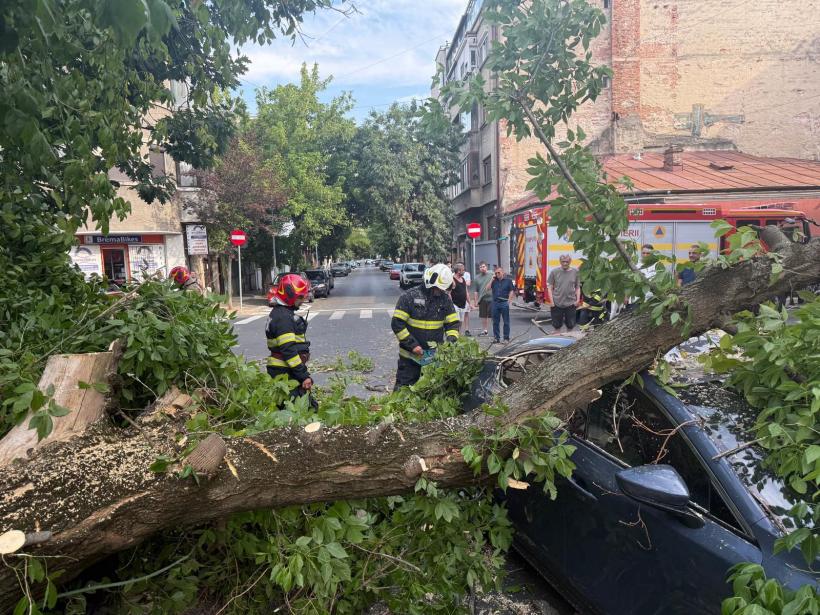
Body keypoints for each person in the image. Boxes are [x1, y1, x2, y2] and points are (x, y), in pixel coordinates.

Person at [391, 263, 460, 390]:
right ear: (429, 282)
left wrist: (450, 342)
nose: (439, 292)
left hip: (434, 358)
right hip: (409, 358)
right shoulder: (409, 297)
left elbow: (453, 324)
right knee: (403, 392)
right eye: (437, 288)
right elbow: (397, 324)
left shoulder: (445, 300)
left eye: (442, 289)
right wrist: (413, 345)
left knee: (430, 393)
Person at [265, 273, 314, 405]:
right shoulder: (283, 318)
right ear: (290, 296)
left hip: (287, 371)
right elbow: (289, 351)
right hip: (285, 372)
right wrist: (303, 376)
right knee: (301, 410)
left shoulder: (281, 313)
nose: (303, 299)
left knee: (306, 408)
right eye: (300, 296)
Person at [546, 254, 580, 331]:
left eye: (567, 262)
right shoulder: (554, 272)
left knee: (570, 327)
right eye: (563, 261)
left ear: (570, 262)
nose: (565, 263)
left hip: (571, 303)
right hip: (557, 303)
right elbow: (550, 287)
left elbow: (578, 287)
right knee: (557, 327)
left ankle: (569, 343)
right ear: (560, 262)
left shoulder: (575, 272)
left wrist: (577, 300)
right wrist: (552, 302)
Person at [490, 265, 515, 343]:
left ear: (503, 273)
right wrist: (491, 279)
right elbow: (487, 288)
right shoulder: (494, 281)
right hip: (495, 303)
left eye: (499, 272)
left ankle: (506, 338)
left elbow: (511, 291)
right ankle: (496, 338)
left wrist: (509, 301)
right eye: (496, 273)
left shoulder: (508, 281)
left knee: (506, 322)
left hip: (504, 303)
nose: (497, 274)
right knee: (495, 322)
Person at [473, 261, 493, 336]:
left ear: (486, 267)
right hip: (482, 298)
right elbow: (475, 291)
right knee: (483, 316)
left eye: (484, 266)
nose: (482, 268)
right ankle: (485, 330)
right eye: (481, 267)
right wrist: (475, 301)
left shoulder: (492, 274)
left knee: (493, 315)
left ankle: (495, 330)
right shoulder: (477, 278)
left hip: (492, 298)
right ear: (479, 268)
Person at [451, 263, 471, 335]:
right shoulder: (452, 280)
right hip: (455, 304)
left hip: (463, 304)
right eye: (463, 270)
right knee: (456, 322)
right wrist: (450, 304)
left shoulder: (463, 279)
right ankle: (454, 336)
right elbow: (449, 293)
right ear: (458, 271)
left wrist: (469, 303)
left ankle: (458, 335)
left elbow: (466, 292)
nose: (464, 271)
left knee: (460, 322)